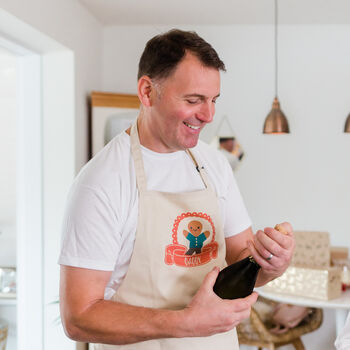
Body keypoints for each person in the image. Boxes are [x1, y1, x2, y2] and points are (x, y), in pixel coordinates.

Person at [59, 29, 295, 349]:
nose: (208, 115)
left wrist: (271, 263)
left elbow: (242, 263)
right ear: (147, 91)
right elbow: (79, 316)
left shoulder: (216, 165)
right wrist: (184, 323)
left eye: (213, 100)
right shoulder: (101, 183)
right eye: (194, 100)